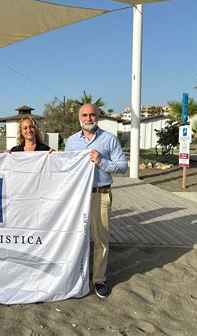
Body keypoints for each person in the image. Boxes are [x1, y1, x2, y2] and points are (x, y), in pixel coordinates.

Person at [65, 104, 127, 299]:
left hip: (100, 195)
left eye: (92, 115)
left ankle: (99, 279)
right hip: (77, 196)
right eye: (85, 115)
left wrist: (102, 161)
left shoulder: (109, 140)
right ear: (79, 118)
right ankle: (76, 275)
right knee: (75, 238)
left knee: (100, 240)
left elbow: (123, 167)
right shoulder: (72, 141)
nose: (88, 118)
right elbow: (65, 167)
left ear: (97, 117)